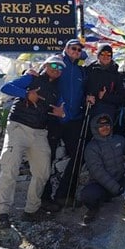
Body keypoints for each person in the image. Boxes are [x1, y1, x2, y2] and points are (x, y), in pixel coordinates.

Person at [0, 56, 66, 228]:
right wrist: (26, 94)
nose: (56, 69)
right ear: (46, 65)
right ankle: (1, 213)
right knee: (10, 168)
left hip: (40, 131)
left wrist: (62, 114)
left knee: (43, 172)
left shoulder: (57, 90)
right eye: (54, 65)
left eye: (60, 67)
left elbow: (62, 111)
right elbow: (6, 87)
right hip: (18, 127)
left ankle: (31, 210)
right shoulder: (31, 78)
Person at [42, 39, 88, 210]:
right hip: (54, 118)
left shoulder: (80, 70)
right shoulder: (56, 63)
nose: (76, 51)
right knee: (47, 157)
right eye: (73, 48)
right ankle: (44, 197)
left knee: (78, 155)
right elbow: (43, 81)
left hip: (74, 119)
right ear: (66, 49)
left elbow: (82, 91)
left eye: (78, 49)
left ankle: (64, 196)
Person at [78, 113, 125, 225]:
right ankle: (94, 209)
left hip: (120, 180)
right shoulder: (91, 148)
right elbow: (98, 173)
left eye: (107, 124)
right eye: (101, 125)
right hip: (101, 185)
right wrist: (118, 189)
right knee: (88, 194)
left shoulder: (119, 140)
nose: (105, 127)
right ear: (95, 128)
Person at [85, 44, 124, 124]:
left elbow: (121, 97)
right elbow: (82, 88)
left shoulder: (116, 74)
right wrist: (86, 97)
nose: (105, 57)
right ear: (98, 56)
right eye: (102, 54)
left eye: (108, 55)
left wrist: (106, 97)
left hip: (108, 111)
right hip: (89, 109)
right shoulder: (89, 70)